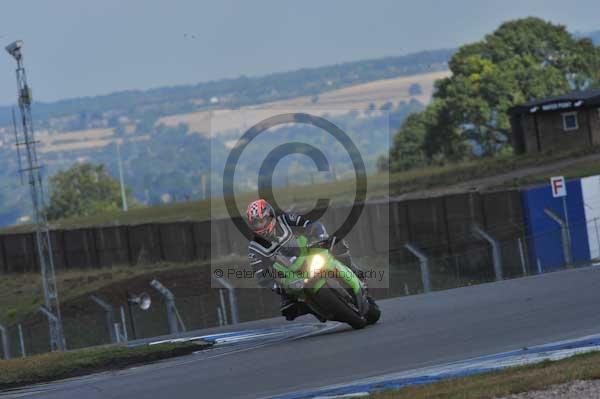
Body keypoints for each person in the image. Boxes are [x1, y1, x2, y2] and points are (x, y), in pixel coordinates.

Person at [246, 199, 364, 321]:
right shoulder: (254, 249)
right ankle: (315, 309)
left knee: (336, 243)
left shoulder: (285, 219)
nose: (259, 225)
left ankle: (352, 268)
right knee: (289, 309)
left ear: (270, 216)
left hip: (306, 252)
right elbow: (262, 276)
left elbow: (311, 223)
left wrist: (321, 237)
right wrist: (278, 287)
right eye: (255, 223)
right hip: (289, 274)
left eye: (261, 220)